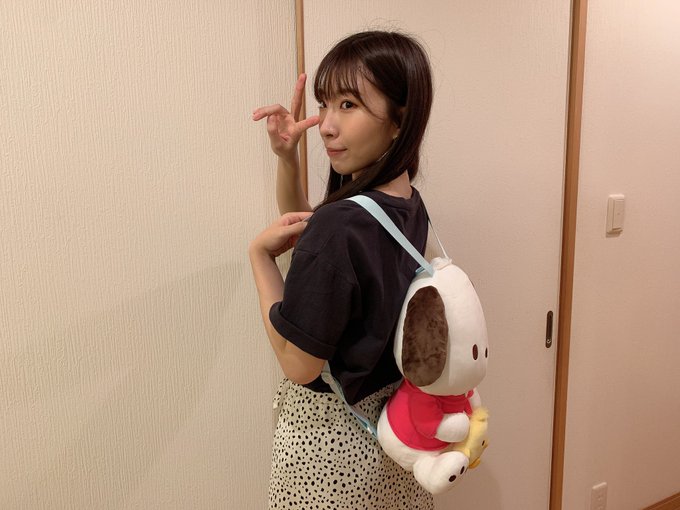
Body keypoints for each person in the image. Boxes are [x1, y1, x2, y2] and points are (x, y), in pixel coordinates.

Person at [250, 30, 435, 510]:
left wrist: (259, 260)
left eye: (348, 105)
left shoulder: (342, 224)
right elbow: (309, 233)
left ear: (399, 120)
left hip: (330, 449)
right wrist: (287, 159)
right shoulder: (405, 204)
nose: (326, 126)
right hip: (393, 434)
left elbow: (298, 365)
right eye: (325, 104)